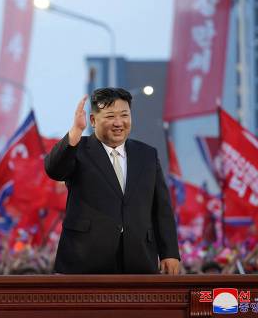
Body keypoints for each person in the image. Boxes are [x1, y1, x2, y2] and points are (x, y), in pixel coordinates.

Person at [44, 87, 180, 274]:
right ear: (93, 120)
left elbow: (161, 208)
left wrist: (170, 252)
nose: (118, 123)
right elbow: (54, 170)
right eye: (110, 116)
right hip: (85, 260)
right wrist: (75, 132)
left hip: (138, 260)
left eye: (124, 115)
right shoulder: (78, 149)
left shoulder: (147, 154)